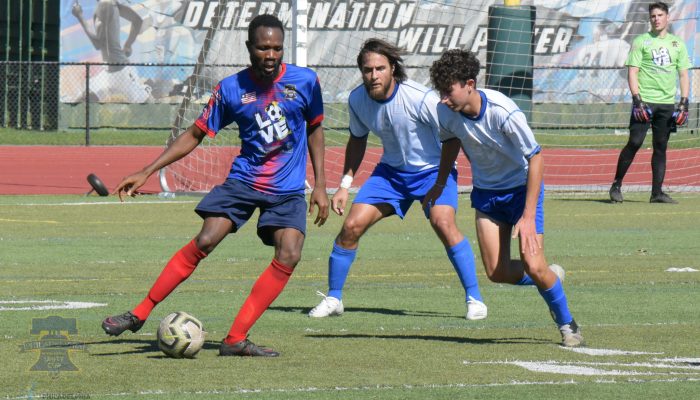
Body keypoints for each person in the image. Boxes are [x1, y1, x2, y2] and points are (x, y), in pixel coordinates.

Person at [101, 14, 329, 357]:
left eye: (277, 48)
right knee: (206, 240)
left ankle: (236, 339)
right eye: (263, 48)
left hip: (288, 189)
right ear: (249, 47)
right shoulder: (231, 89)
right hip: (244, 180)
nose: (270, 55)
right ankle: (139, 314)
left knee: (290, 253)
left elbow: (315, 128)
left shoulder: (306, 81)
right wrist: (147, 170)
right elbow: (194, 134)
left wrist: (321, 186)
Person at [308, 38, 487, 321]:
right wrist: (344, 185)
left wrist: (441, 182)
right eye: (368, 69)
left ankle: (475, 298)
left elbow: (452, 137)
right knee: (351, 226)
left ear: (393, 68)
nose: (374, 75)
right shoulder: (357, 99)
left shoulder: (420, 98)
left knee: (443, 222)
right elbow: (357, 140)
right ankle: (334, 298)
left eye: (380, 68)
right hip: (391, 175)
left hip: (432, 172)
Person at [425, 49, 583, 347]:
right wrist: (439, 182)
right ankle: (551, 278)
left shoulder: (504, 111)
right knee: (497, 273)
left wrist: (526, 215)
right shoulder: (445, 111)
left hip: (522, 191)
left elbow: (536, 158)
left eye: (449, 91)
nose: (444, 98)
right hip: (487, 194)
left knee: (534, 264)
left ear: (469, 83)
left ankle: (568, 324)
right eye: (441, 92)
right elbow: (450, 143)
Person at [609, 1, 690, 204]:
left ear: (667, 17)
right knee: (635, 142)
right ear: (649, 19)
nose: (656, 19)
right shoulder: (641, 41)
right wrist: (637, 100)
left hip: (666, 104)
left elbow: (683, 75)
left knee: (660, 146)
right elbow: (633, 72)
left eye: (660, 15)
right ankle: (616, 185)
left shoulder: (677, 44)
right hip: (645, 102)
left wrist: (684, 102)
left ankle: (656, 193)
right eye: (653, 16)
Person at [71, 0, 152, 102]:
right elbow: (137, 20)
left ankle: (146, 89)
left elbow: (98, 44)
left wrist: (80, 16)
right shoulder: (111, 3)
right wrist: (128, 45)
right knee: (84, 96)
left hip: (121, 74)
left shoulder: (104, 4)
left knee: (144, 103)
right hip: (111, 71)